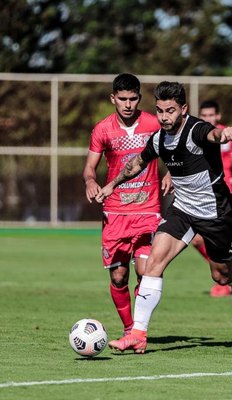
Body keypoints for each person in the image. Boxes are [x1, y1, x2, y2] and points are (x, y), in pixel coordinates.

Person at [96, 81, 232, 354]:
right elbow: (136, 164)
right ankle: (138, 334)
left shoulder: (197, 130)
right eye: (160, 111)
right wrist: (112, 184)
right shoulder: (158, 139)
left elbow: (213, 134)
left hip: (215, 213)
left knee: (220, 275)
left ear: (184, 109)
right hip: (182, 210)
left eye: (170, 111)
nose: (165, 117)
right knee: (154, 261)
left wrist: (225, 135)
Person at [82, 73, 172, 337]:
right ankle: (129, 326)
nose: (128, 104)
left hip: (148, 211)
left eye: (133, 99)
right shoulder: (103, 129)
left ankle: (138, 332)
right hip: (115, 213)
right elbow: (89, 167)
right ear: (113, 99)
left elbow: (173, 150)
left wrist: (170, 173)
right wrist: (90, 181)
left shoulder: (154, 124)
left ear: (139, 99)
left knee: (147, 272)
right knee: (118, 277)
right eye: (122, 99)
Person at [190, 99, 232, 297]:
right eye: (204, 116)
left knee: (220, 244)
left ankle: (226, 280)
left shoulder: (228, 135)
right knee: (197, 240)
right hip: (202, 196)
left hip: (224, 197)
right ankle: (225, 274)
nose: (207, 119)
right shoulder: (197, 134)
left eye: (211, 115)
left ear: (218, 116)